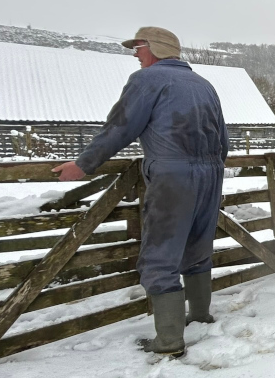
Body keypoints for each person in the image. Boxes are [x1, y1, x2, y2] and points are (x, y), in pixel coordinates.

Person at [53, 27, 230, 358]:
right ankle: (201, 317)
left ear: (157, 49)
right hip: (211, 173)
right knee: (197, 247)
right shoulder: (204, 85)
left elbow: (120, 128)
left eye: (139, 46)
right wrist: (209, 168)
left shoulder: (146, 81)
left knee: (160, 256)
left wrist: (82, 165)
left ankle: (168, 341)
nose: (135, 53)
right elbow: (224, 140)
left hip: (172, 174)